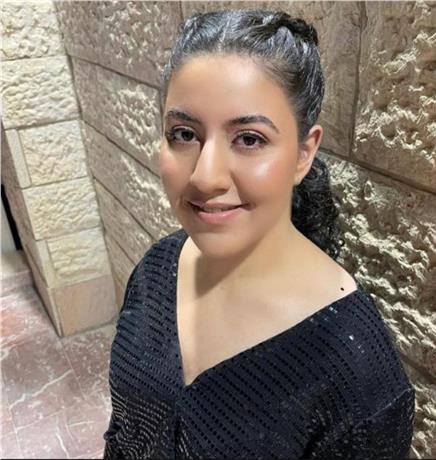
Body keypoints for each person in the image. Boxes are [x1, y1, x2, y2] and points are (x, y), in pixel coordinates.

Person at [103, 8, 415, 459]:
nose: (205, 177)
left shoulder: (358, 372)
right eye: (184, 134)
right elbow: (125, 432)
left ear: (304, 153)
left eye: (249, 139)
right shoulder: (156, 271)